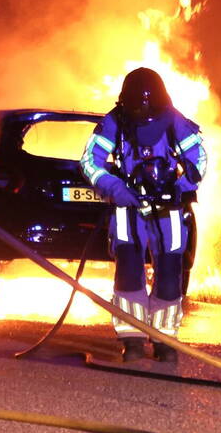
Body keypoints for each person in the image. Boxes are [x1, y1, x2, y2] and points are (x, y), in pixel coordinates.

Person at [80, 67, 206, 363]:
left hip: (169, 209)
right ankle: (132, 339)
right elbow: (89, 160)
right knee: (129, 273)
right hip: (129, 207)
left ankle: (164, 340)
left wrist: (180, 182)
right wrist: (114, 186)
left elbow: (198, 158)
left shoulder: (176, 122)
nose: (145, 112)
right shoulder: (116, 122)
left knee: (169, 276)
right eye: (139, 107)